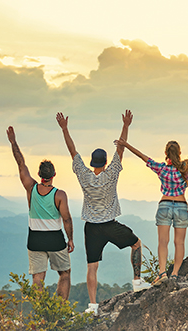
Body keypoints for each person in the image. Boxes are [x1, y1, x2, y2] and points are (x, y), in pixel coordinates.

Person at [56, 110, 150, 316]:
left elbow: (73, 151)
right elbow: (121, 149)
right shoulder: (112, 174)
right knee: (136, 244)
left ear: (92, 163)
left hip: (91, 228)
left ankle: (92, 306)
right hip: (110, 224)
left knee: (92, 266)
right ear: (106, 163)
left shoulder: (83, 175)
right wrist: (126, 125)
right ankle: (137, 281)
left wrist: (65, 129)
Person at [117, 118, 188, 285]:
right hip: (181, 206)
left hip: (164, 205)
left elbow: (144, 157)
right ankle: (175, 273)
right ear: (179, 153)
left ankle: (162, 273)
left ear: (166, 153)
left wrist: (126, 145)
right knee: (179, 242)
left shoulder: (162, 169)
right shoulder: (186, 167)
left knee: (162, 242)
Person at [6, 126, 74, 300]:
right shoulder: (59, 195)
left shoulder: (31, 188)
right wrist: (70, 239)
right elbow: (66, 219)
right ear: (54, 175)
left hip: (35, 238)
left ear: (38, 174)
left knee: (38, 278)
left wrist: (13, 142)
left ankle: (40, 316)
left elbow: (21, 163)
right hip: (55, 238)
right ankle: (60, 310)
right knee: (64, 273)